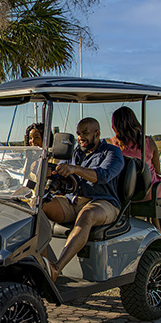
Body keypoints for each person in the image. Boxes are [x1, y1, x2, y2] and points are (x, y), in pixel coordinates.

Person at [42, 117, 124, 281]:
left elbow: (102, 175)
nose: (80, 138)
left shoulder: (111, 152)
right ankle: (42, 262)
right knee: (38, 205)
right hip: (73, 200)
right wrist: (49, 171)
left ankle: (57, 268)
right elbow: (63, 173)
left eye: (85, 133)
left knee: (87, 216)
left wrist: (74, 169)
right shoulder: (74, 152)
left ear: (97, 133)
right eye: (78, 134)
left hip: (103, 202)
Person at [108, 106, 161, 235]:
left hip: (124, 193)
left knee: (152, 200)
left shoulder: (111, 144)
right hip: (149, 190)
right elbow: (158, 171)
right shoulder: (148, 142)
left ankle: (155, 231)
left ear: (115, 126)